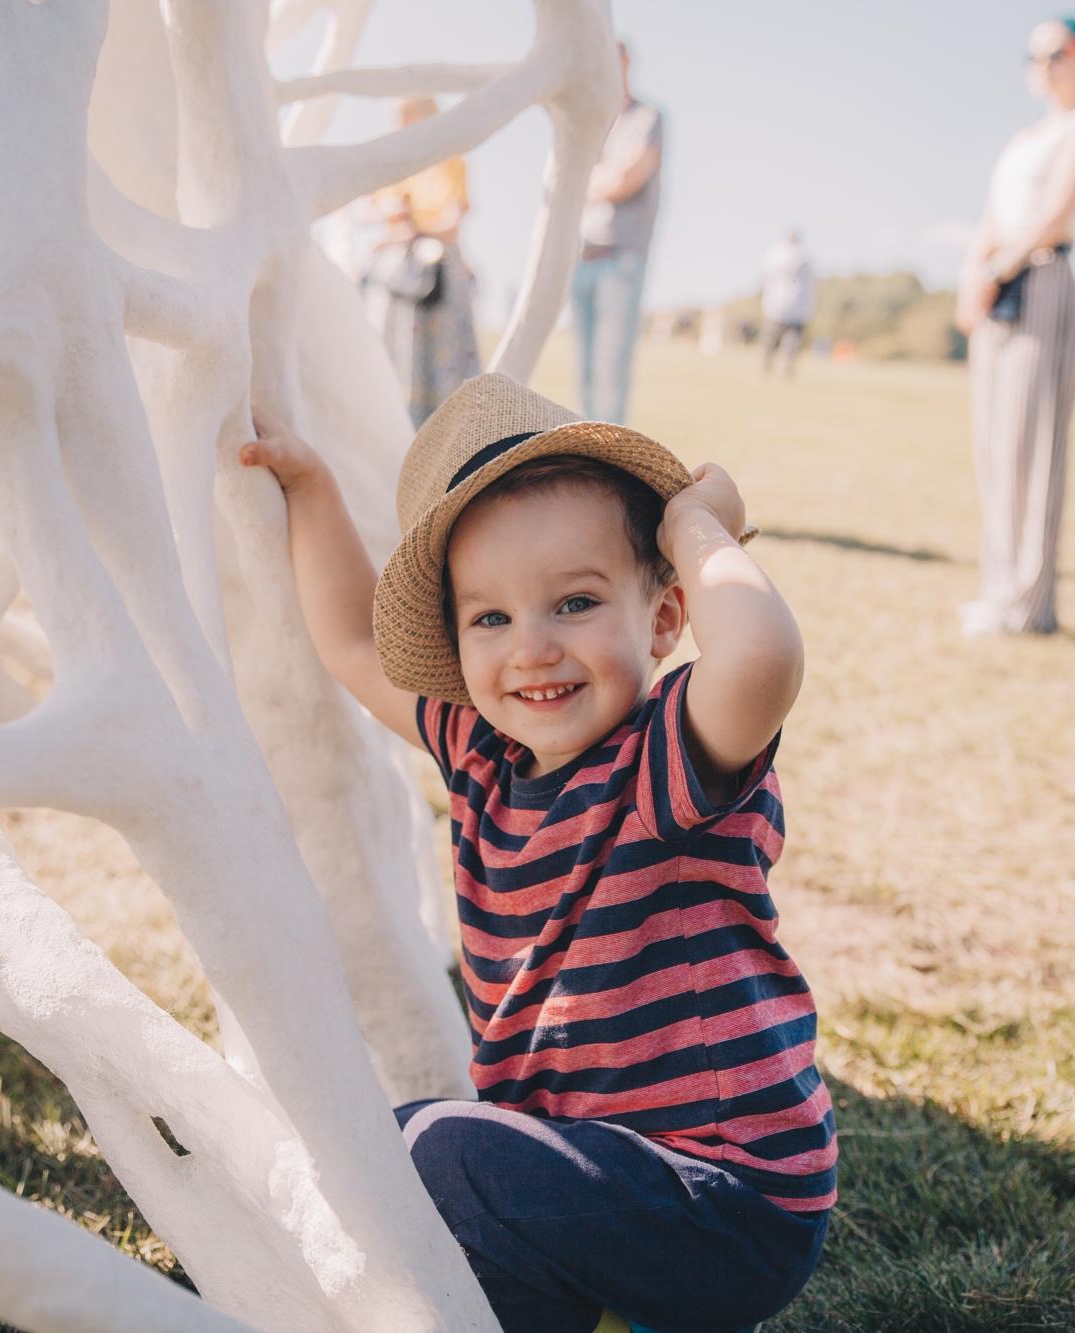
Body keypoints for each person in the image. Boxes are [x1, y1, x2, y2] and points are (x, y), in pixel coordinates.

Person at [238, 373, 834, 1333]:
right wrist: (310, 489)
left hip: (724, 1200)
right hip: (595, 1177)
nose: (533, 650)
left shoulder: (668, 752)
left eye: (575, 602)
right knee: (424, 1166)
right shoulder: (480, 750)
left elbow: (761, 655)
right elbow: (353, 643)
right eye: (491, 618)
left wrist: (696, 525)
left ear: (666, 619)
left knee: (433, 1153)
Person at [954, 17, 1075, 637]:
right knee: (995, 445)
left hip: (1041, 283)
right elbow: (991, 219)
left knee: (1033, 447)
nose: (1044, 64)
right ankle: (999, 589)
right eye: (1034, 54)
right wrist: (975, 280)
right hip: (998, 291)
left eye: (1057, 52)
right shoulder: (1021, 140)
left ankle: (1029, 603)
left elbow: (1055, 214)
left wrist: (1000, 269)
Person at [361, 97, 483, 426]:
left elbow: (451, 225)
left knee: (443, 371)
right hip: (395, 281)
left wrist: (411, 227)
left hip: (436, 279)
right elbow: (366, 212)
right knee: (392, 367)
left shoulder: (450, 163)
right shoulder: (387, 167)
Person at [571, 41, 663, 425]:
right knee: (585, 373)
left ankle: (609, 466)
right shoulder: (590, 124)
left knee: (610, 373)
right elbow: (566, 181)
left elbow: (626, 179)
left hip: (620, 257)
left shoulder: (648, 118)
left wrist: (588, 183)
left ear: (625, 62)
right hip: (582, 257)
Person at [760, 229, 815, 378]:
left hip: (779, 306)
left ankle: (769, 368)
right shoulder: (804, 257)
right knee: (785, 341)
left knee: (776, 340)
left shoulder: (775, 255)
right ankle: (782, 369)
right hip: (791, 306)